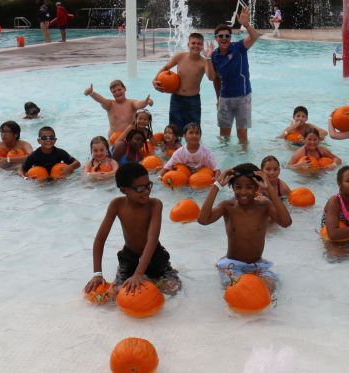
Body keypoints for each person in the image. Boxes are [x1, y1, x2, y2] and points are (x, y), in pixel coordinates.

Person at [83, 162, 181, 298]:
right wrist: (97, 274)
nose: (147, 191)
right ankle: (142, 278)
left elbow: (152, 240)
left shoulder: (155, 205)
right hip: (129, 258)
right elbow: (100, 239)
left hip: (155, 255)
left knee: (173, 289)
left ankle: (151, 278)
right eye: (140, 188)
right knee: (114, 294)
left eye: (149, 185)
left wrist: (139, 274)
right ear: (124, 190)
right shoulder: (117, 205)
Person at [197, 163, 292, 290]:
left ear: (257, 188)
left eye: (249, 187)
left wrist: (269, 188)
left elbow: (286, 223)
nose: (243, 192)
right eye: (238, 187)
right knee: (236, 290)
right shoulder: (227, 206)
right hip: (233, 264)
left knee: (270, 289)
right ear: (232, 187)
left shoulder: (264, 206)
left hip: (257, 264)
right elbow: (203, 220)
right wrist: (217, 185)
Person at [205, 5, 260, 144]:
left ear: (230, 37)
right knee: (224, 135)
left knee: (242, 134)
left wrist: (246, 25)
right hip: (225, 98)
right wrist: (218, 99)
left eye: (227, 36)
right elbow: (213, 78)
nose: (224, 38)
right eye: (220, 36)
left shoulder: (239, 47)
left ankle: (243, 159)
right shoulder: (214, 56)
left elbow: (255, 36)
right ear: (216, 38)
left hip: (243, 96)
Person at [152, 32, 207, 130]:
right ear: (188, 44)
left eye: (199, 44)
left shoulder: (204, 62)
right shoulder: (180, 57)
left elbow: (211, 77)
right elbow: (166, 67)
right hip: (176, 99)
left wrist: (209, 58)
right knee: (174, 129)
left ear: (202, 46)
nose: (196, 46)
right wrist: (155, 80)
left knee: (193, 130)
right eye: (193, 43)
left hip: (193, 100)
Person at [84, 80, 153, 140]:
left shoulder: (131, 103)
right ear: (112, 93)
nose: (117, 92)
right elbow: (101, 100)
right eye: (114, 91)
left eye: (119, 89)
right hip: (114, 140)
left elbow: (139, 104)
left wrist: (146, 102)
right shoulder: (110, 105)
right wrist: (92, 93)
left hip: (130, 139)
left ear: (125, 89)